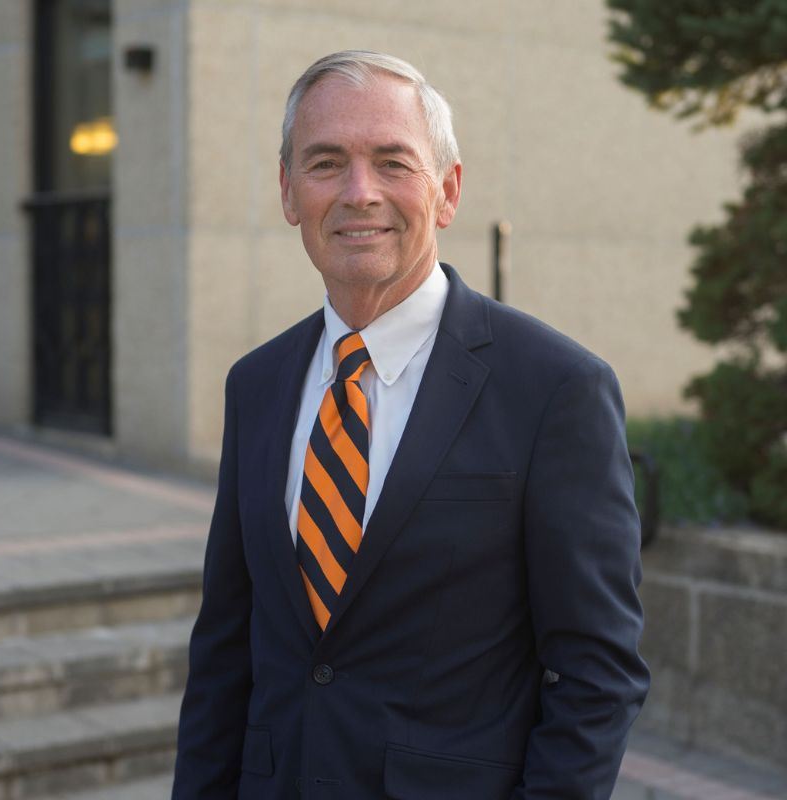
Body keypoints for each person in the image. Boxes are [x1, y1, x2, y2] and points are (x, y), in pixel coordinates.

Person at [172, 50, 649, 800]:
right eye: (326, 163)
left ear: (447, 190)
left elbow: (598, 674)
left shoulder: (556, 388)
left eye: (393, 162)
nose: (359, 193)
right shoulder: (256, 385)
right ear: (289, 191)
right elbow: (224, 653)